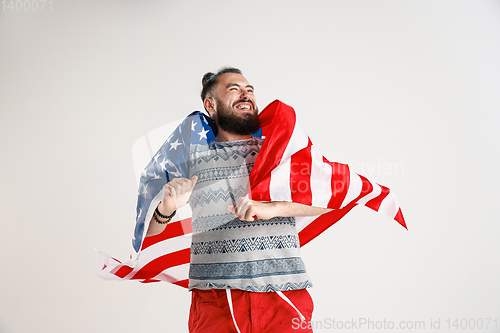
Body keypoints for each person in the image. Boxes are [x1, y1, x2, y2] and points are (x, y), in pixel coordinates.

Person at [146, 67, 332, 333]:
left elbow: (328, 198)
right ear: (210, 104)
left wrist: (272, 208)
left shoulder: (280, 149)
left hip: (282, 296)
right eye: (234, 89)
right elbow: (150, 232)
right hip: (215, 300)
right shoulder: (190, 157)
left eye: (250, 90)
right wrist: (166, 209)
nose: (246, 95)